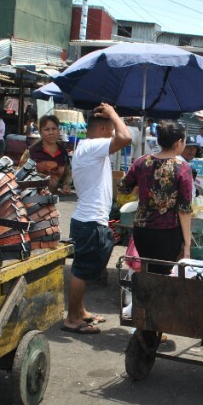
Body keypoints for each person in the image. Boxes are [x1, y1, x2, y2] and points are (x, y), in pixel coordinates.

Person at [62, 104, 132, 334]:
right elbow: (126, 137)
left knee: (83, 268)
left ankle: (80, 311)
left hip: (88, 219)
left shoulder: (87, 147)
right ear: (102, 129)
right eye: (110, 130)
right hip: (89, 221)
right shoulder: (92, 145)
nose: (112, 134)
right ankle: (72, 318)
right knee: (81, 271)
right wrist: (113, 114)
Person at [119, 121, 193, 275]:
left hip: (142, 231)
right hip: (168, 233)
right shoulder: (182, 168)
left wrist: (140, 190)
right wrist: (187, 243)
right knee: (162, 276)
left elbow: (123, 187)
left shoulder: (141, 162)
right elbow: (184, 209)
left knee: (147, 272)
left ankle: (142, 298)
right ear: (179, 142)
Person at [19, 115, 72, 195]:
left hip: (55, 199)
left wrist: (66, 185)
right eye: (47, 129)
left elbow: (67, 173)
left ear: (58, 131)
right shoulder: (31, 152)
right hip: (33, 199)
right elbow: (20, 175)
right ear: (40, 132)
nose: (51, 133)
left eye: (54, 129)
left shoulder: (63, 153)